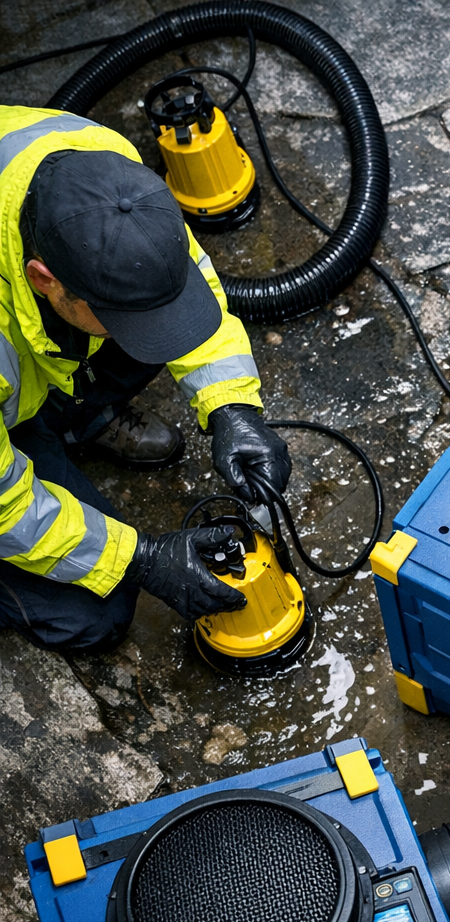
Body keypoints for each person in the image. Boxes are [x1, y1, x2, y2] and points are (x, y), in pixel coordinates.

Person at [0, 105, 291, 651]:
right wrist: (142, 558)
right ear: (44, 278)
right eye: (117, 317)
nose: (137, 330)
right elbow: (4, 509)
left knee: (160, 328)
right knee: (95, 615)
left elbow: (180, 277)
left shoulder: (102, 171)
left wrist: (232, 408)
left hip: (25, 365)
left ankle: (71, 422)